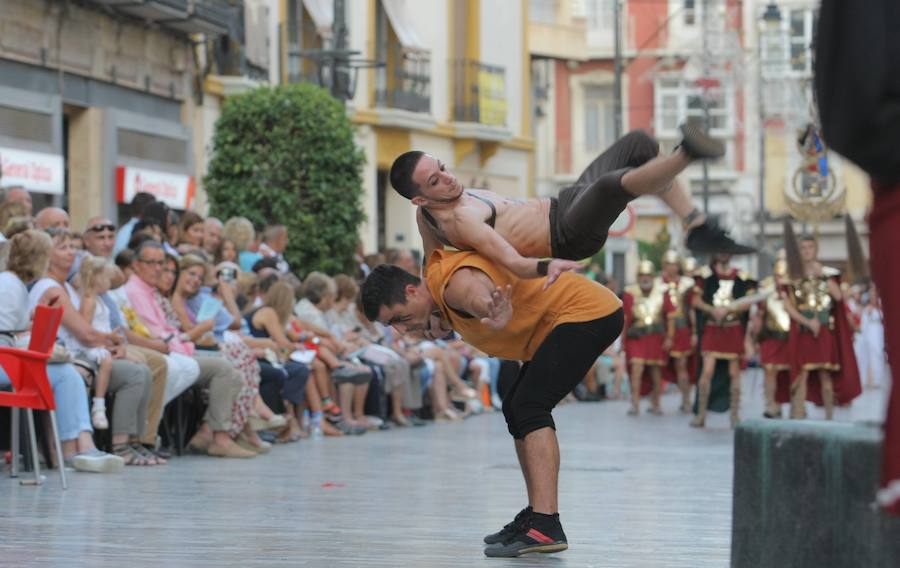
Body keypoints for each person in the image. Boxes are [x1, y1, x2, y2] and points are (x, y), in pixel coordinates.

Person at [361, 252, 623, 558]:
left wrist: (488, 308)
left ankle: (545, 524)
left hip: (586, 313)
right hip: (566, 320)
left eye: (400, 318)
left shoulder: (454, 287)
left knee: (530, 405)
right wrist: (439, 316)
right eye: (392, 325)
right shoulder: (434, 290)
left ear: (411, 290)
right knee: (516, 406)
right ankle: (537, 514)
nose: (402, 329)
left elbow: (475, 295)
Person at [389, 124, 754, 291]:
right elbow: (512, 262)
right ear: (420, 197)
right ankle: (687, 153)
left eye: (442, 168)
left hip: (564, 202)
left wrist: (430, 306)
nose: (448, 178)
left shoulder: (425, 216)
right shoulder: (461, 220)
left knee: (638, 144)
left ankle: (695, 225)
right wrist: (552, 266)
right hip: (566, 235)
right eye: (436, 181)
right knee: (614, 185)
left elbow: (430, 263)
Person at [30, 228, 157, 465]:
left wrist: (116, 345)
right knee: (133, 375)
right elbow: (85, 334)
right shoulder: (51, 287)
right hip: (74, 355)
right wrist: (114, 343)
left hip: (84, 354)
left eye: (72, 247)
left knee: (143, 370)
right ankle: (117, 445)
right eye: (63, 247)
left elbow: (114, 279)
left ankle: (133, 440)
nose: (71, 252)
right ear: (47, 254)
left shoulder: (67, 285)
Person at [0, 230, 124, 472]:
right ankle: (76, 447)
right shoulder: (9, 285)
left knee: (67, 374)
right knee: (66, 375)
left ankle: (75, 446)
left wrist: (31, 321)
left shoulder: (12, 283)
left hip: (9, 358)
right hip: (6, 361)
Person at [124, 240, 253, 458]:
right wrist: (191, 340)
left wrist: (187, 342)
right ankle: (216, 436)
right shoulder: (137, 292)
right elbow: (161, 336)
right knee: (224, 368)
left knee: (234, 369)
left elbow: (169, 332)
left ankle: (209, 433)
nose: (158, 269)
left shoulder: (151, 292)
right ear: (136, 264)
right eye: (152, 263)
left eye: (160, 263)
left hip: (174, 351)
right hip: (163, 353)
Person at [782, 230, 860, 420]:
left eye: (810, 247)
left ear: (816, 250)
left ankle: (829, 417)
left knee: (826, 375)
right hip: (803, 330)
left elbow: (839, 298)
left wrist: (824, 277)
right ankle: (798, 414)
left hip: (824, 331)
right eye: (803, 248)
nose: (807, 251)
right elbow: (788, 306)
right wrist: (807, 321)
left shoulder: (828, 274)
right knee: (802, 374)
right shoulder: (792, 276)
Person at [691, 253, 755, 428]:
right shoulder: (705, 275)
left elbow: (748, 302)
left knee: (734, 373)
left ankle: (734, 415)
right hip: (712, 328)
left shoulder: (742, 277)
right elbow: (696, 301)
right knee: (707, 372)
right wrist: (712, 310)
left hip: (732, 328)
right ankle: (701, 414)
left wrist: (729, 309)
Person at [75, 255, 116, 430]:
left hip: (103, 341)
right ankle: (99, 405)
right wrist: (106, 338)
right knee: (106, 360)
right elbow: (86, 328)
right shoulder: (89, 301)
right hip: (91, 346)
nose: (109, 282)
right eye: (106, 278)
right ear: (95, 277)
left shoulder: (99, 299)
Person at [622, 260, 666, 416]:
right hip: (637, 337)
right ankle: (635, 404)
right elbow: (626, 318)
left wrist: (670, 338)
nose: (645, 278)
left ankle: (656, 403)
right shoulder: (630, 292)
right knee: (636, 369)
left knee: (656, 371)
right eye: (642, 275)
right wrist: (623, 341)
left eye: (648, 275)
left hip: (656, 336)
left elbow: (669, 317)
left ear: (653, 276)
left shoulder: (662, 291)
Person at [754, 258, 792, 419]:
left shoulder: (794, 288)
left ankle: (795, 406)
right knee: (770, 372)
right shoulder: (766, 289)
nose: (779, 279)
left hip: (790, 338)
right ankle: (771, 405)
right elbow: (759, 315)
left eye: (782, 275)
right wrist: (755, 338)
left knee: (791, 374)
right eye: (777, 275)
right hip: (770, 337)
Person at [660, 250, 697, 413]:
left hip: (682, 330)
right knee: (656, 367)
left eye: (674, 264)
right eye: (668, 264)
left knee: (682, 366)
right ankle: (654, 403)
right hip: (661, 330)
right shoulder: (658, 284)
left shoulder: (687, 284)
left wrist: (695, 332)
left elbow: (692, 310)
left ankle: (686, 400)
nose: (671, 267)